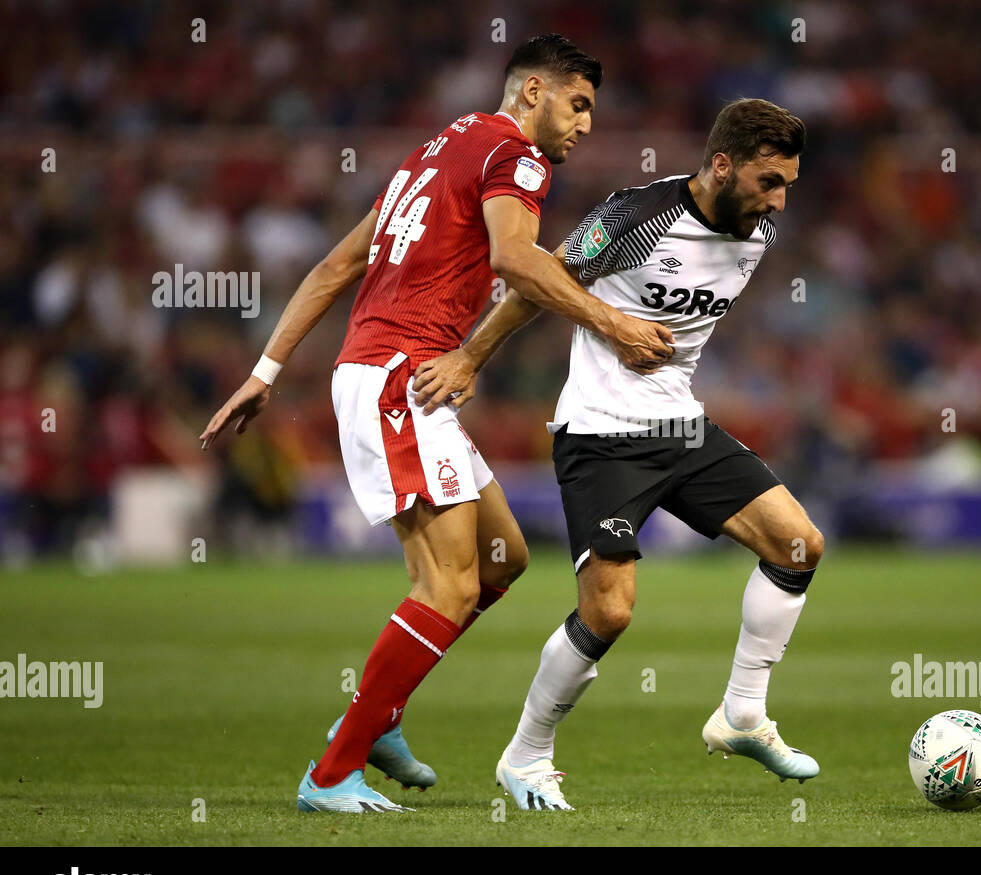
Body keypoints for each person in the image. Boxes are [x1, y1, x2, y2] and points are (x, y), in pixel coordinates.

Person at [199, 34, 674, 813]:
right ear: (530, 94)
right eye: (578, 103)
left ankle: (378, 715)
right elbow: (517, 261)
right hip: (401, 378)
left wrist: (266, 372)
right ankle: (331, 772)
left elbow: (335, 267)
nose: (586, 124)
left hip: (390, 376)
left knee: (502, 558)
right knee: (448, 583)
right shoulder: (517, 157)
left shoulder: (434, 152)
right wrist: (614, 324)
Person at [413, 98, 823, 810]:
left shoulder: (758, 230)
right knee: (609, 612)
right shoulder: (635, 216)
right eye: (768, 181)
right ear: (721, 164)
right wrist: (470, 357)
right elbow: (539, 280)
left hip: (681, 426)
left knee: (797, 544)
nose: (779, 200)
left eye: (788, 183)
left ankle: (742, 714)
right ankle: (526, 753)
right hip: (601, 433)